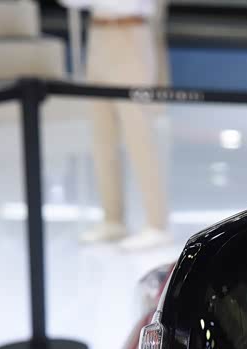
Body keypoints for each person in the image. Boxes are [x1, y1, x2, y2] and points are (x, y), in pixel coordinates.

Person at [59, 0, 170, 250]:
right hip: (98, 35)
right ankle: (113, 219)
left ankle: (156, 224)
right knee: (102, 136)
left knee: (139, 135)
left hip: (131, 34)